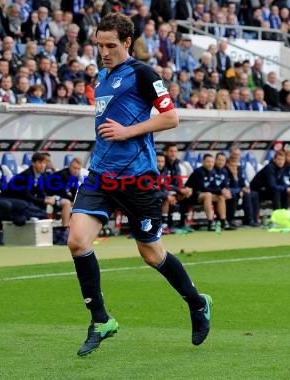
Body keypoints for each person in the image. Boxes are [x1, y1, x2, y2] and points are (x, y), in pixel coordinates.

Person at [67, 13, 212, 357]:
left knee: (151, 253)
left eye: (110, 45)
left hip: (138, 178)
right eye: (99, 45)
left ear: (127, 43)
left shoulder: (144, 73)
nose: (103, 52)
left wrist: (127, 132)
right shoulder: (102, 76)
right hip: (101, 175)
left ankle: (196, 302)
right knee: (76, 241)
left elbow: (171, 117)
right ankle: (101, 320)